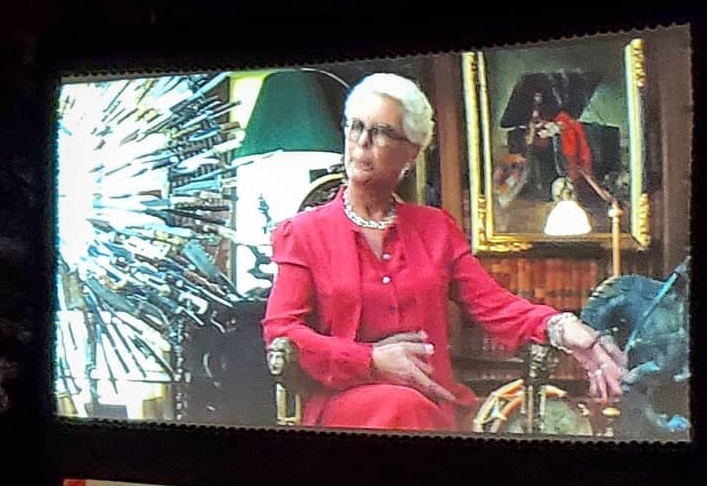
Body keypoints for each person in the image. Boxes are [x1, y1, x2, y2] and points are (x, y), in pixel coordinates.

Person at [262, 73, 625, 431]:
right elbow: (281, 333)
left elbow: (496, 306)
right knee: (402, 409)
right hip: (346, 405)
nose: (362, 142)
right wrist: (371, 360)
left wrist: (564, 328)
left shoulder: (435, 229)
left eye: (382, 132)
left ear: (412, 152)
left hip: (434, 401)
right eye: (355, 126)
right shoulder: (303, 233)